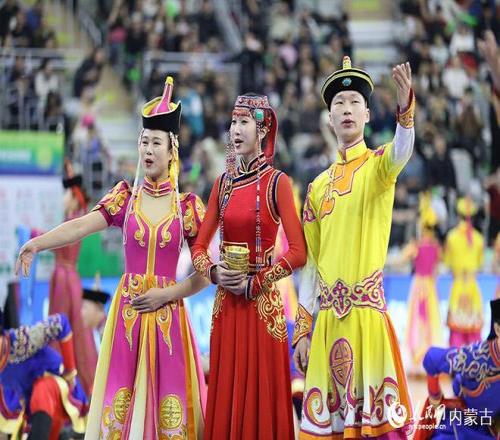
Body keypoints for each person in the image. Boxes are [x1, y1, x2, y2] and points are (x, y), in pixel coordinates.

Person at [16, 76, 208, 438]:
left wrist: (166, 294)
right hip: (128, 317)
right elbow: (79, 227)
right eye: (144, 141)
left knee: (169, 411)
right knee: (120, 406)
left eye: (156, 142)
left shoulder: (187, 208)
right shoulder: (125, 198)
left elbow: (204, 275)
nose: (148, 149)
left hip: (168, 320)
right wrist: (37, 244)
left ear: (172, 150)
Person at [293, 56, 415, 438]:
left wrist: (406, 110)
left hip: (366, 320)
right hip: (327, 322)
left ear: (366, 115)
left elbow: (402, 150)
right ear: (329, 119)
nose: (347, 109)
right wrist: (303, 329)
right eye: (339, 104)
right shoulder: (316, 188)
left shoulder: (379, 168)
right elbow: (311, 264)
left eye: (354, 103)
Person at [191, 93, 307, 439]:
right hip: (226, 305)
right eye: (233, 122)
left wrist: (257, 282)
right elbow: (198, 246)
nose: (236, 130)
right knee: (228, 393)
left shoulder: (278, 183)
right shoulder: (222, 184)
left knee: (262, 398)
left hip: (263, 306)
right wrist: (214, 272)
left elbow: (298, 252)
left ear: (262, 131)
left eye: (244, 122)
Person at [415, 298, 500, 440]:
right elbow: (432, 358)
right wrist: (436, 399)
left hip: (492, 428)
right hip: (461, 426)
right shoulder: (474, 357)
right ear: (497, 329)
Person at [0, 313, 88, 440]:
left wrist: (70, 371)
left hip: (59, 393)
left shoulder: (21, 339)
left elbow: (61, 323)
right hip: (36, 413)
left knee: (42, 389)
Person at [405, 193, 442, 375]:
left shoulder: (416, 246)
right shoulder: (436, 247)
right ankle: (429, 360)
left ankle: (417, 362)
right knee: (430, 321)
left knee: (416, 320)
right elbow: (437, 268)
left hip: (418, 284)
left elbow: (404, 257)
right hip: (430, 286)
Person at [445, 197, 484, 347]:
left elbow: (447, 262)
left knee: (456, 334)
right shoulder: (479, 239)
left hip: (458, 285)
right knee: (474, 334)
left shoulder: (451, 237)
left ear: (458, 215)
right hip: (472, 286)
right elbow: (480, 264)